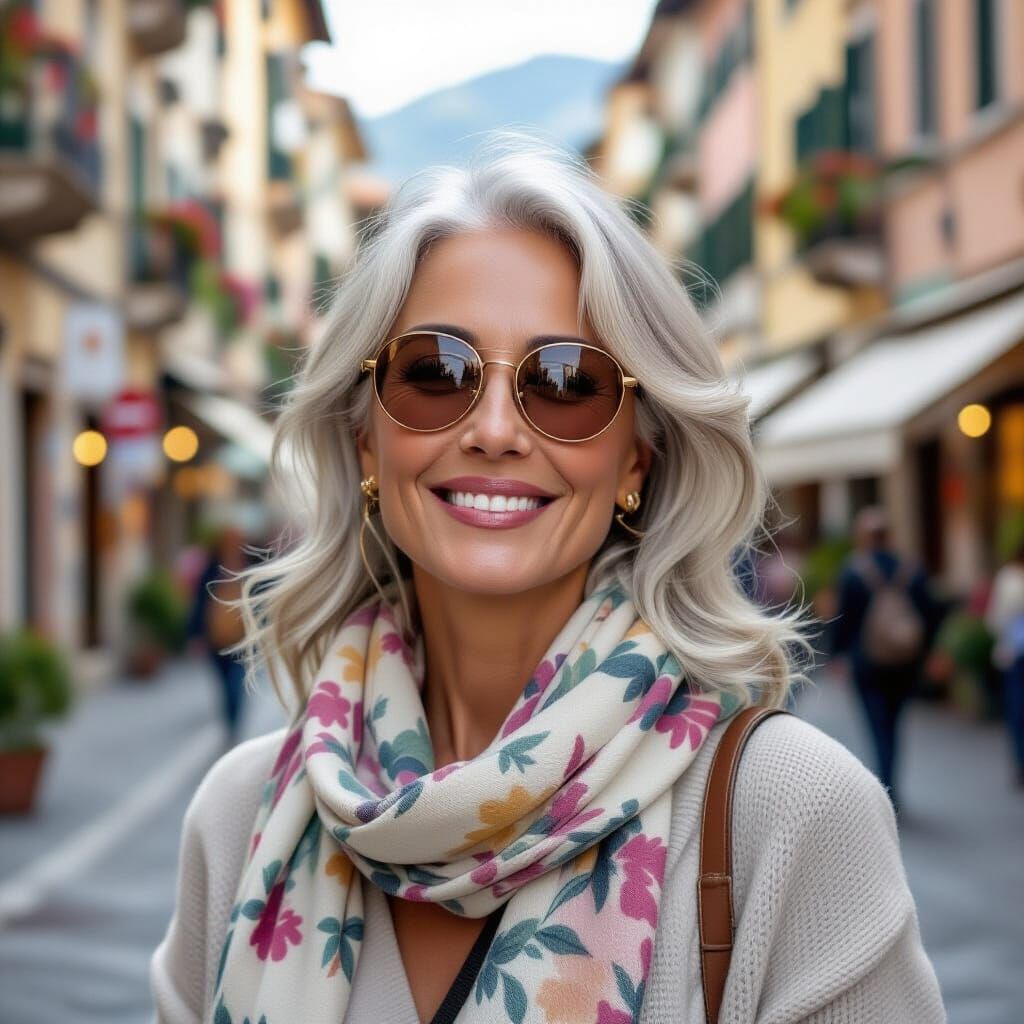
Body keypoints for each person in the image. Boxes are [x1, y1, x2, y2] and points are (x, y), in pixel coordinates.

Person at [151, 134, 945, 1023]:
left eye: (567, 383)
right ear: (364, 437)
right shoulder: (238, 818)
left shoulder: (790, 816)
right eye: (435, 373)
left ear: (637, 459)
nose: (494, 428)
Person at [830, 506, 940, 813]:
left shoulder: (854, 571)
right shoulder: (912, 569)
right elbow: (930, 614)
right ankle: (891, 784)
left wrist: (837, 654)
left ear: (863, 537)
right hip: (906, 661)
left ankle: (885, 786)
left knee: (876, 723)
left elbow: (844, 619)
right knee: (894, 722)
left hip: (867, 662)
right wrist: (928, 652)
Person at [186, 523, 251, 748]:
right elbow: (200, 604)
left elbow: (262, 603)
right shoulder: (211, 569)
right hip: (216, 639)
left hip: (242, 639)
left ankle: (233, 722)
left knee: (236, 682)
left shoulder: (251, 567)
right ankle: (230, 721)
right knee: (224, 684)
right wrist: (195, 633)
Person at [985, 539, 1024, 784]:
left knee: (1017, 708)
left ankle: (1021, 761)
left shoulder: (1008, 578)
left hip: (1015, 652)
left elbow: (995, 619)